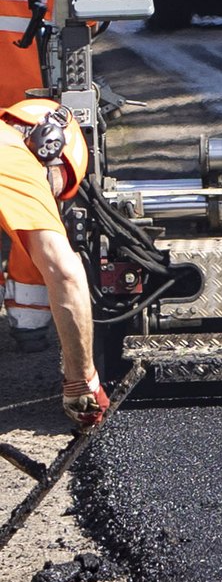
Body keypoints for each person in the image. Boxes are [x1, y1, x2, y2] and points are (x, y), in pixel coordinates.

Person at [0, 100, 102, 425]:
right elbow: (64, 274)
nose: (55, 198)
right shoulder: (15, 158)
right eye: (61, 182)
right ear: (48, 145)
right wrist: (81, 382)